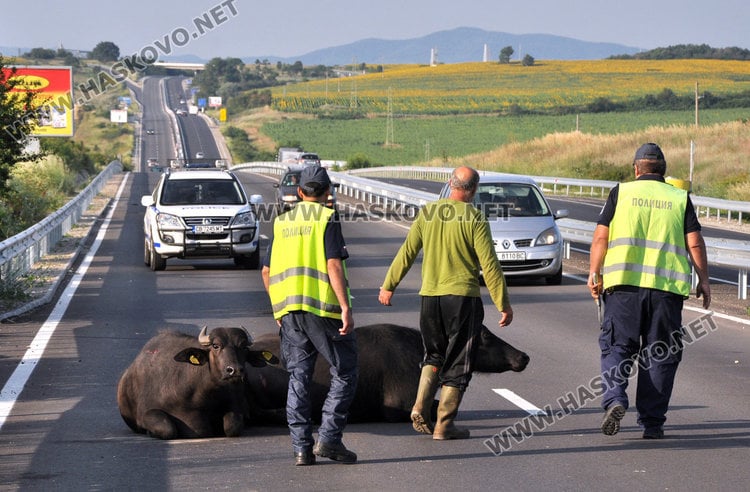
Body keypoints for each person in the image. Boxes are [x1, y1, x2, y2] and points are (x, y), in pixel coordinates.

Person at [378, 166, 514, 440]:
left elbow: (407, 251)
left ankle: (420, 406)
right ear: (474, 190)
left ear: (450, 184)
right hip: (462, 298)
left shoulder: (428, 212)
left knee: (434, 354)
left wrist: (388, 285)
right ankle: (444, 424)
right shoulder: (475, 217)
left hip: (430, 298)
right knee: (460, 360)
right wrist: (503, 303)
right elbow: (489, 265)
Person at [588, 143, 711, 440]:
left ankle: (615, 398)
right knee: (660, 355)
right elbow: (694, 242)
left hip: (623, 289)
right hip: (665, 292)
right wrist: (703, 280)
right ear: (664, 170)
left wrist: (594, 273)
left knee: (617, 347)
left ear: (636, 169)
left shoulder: (621, 192)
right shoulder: (679, 197)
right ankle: (652, 423)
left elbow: (601, 236)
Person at [261, 165, 358, 466]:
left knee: (298, 379)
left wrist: (278, 305)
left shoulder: (281, 223)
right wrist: (345, 307)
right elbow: (333, 266)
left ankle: (301, 448)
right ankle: (329, 439)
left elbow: (266, 271)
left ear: (300, 192)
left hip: (290, 312)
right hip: (323, 311)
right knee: (345, 371)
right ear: (328, 193)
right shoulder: (328, 219)